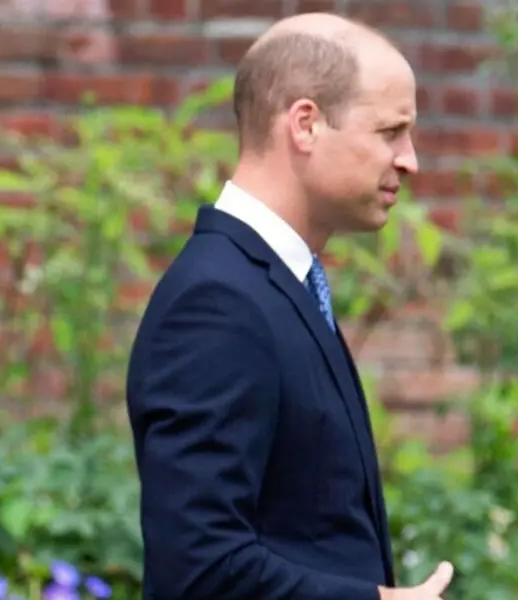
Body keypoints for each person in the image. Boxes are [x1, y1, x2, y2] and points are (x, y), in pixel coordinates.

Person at [125, 12, 454, 600]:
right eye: (389, 132)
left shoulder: (280, 285)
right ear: (305, 124)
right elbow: (197, 567)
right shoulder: (217, 304)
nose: (410, 159)